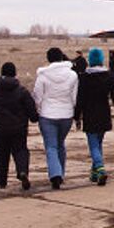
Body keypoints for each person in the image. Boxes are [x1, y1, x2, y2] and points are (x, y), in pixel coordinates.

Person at [75, 47, 114, 186]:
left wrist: (77, 116)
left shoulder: (84, 77)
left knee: (93, 144)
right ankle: (95, 173)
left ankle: (101, 169)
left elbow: (80, 98)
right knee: (98, 144)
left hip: (89, 114)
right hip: (104, 113)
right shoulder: (108, 75)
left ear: (90, 60)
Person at [0, 62, 38, 190]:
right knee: (20, 150)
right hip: (19, 127)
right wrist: (34, 118)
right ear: (14, 74)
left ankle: (1, 181)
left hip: (0, 127)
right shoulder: (21, 91)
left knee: (0, 153)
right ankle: (22, 172)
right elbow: (30, 107)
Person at [34, 47, 79, 189]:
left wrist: (39, 109)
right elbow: (74, 97)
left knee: (51, 146)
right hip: (66, 115)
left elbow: (37, 96)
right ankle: (61, 172)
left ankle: (55, 175)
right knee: (60, 144)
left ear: (48, 59)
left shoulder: (43, 76)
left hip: (47, 115)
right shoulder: (72, 75)